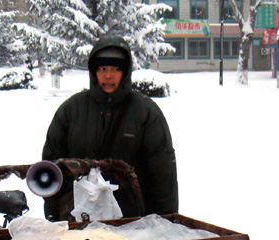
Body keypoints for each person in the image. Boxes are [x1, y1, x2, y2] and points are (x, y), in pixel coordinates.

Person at [42, 36, 178, 221]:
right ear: (93, 71)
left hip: (132, 222)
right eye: (102, 69)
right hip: (78, 221)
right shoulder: (70, 111)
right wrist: (53, 216)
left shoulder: (146, 113)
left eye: (115, 69)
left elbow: (163, 176)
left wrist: (166, 222)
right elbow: (51, 171)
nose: (108, 76)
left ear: (125, 72)